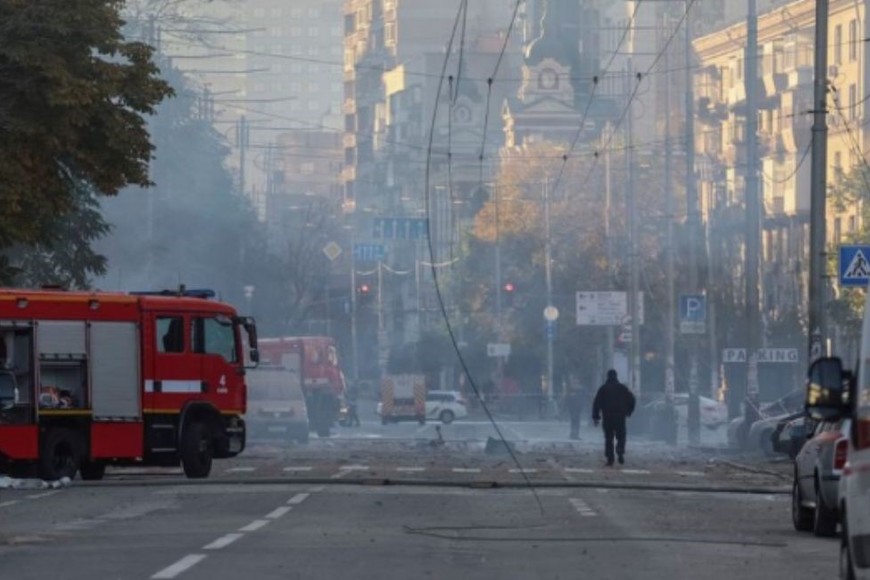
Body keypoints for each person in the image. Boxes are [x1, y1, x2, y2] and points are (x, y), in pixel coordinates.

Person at [592, 369, 636, 466]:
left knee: (609, 438)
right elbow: (632, 400)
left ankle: (610, 458)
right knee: (621, 436)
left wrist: (596, 417)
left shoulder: (603, 389)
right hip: (620, 416)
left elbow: (597, 403)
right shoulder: (623, 388)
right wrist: (629, 411)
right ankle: (620, 450)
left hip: (607, 417)